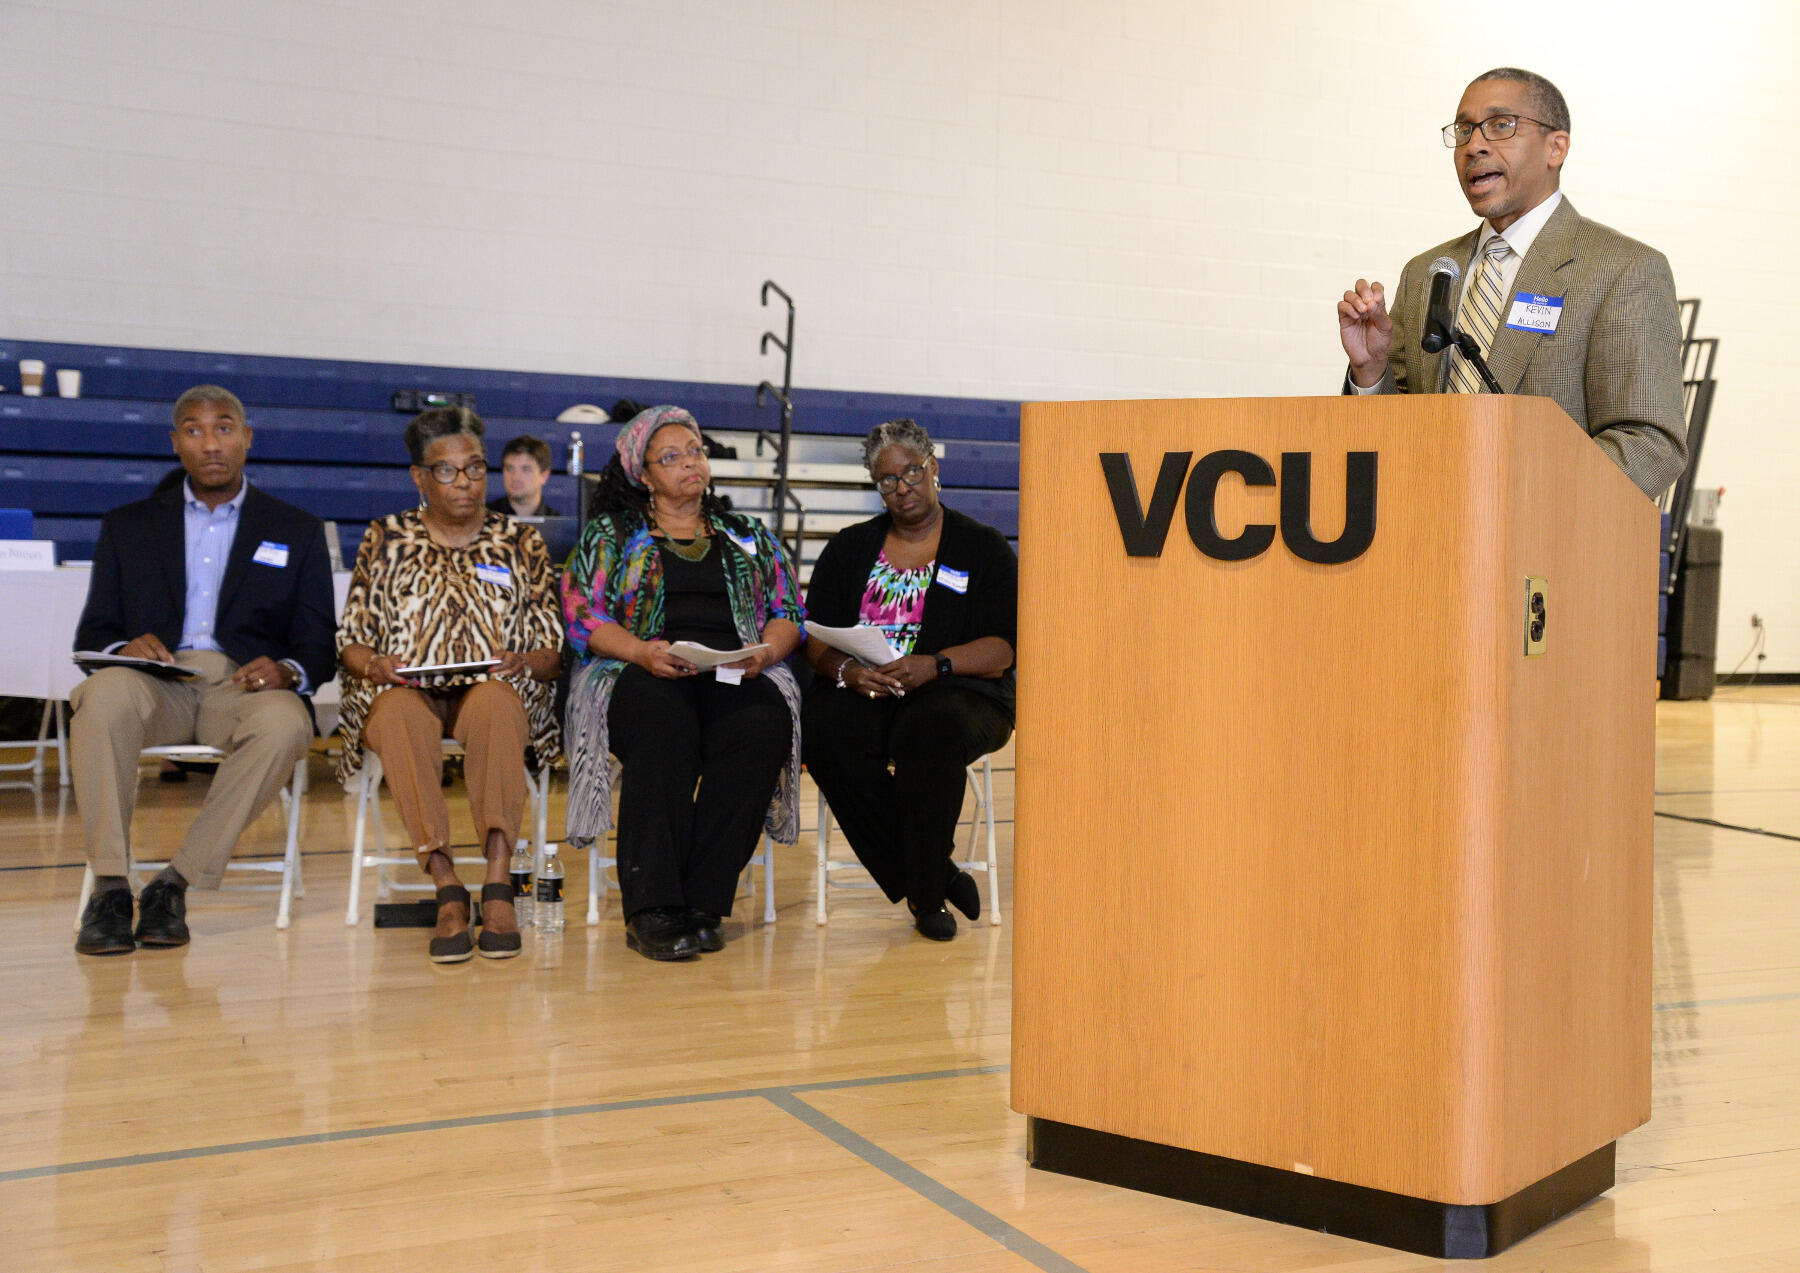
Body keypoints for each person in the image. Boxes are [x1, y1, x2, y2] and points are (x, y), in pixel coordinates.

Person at [70, 385, 336, 956]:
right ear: (175, 443)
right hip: (155, 682)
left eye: (223, 428)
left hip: (241, 686)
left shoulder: (297, 528)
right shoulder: (128, 524)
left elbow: (317, 642)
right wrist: (124, 646)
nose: (210, 442)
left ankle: (174, 884)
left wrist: (288, 669)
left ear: (246, 439)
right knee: (101, 694)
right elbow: (92, 634)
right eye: (194, 430)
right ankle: (112, 887)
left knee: (287, 725)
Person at [1337, 67, 1687, 498]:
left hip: (1546, 553)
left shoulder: (1623, 270)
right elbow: (1391, 439)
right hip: (1427, 544)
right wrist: (1370, 371)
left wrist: (1514, 499)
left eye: (1501, 125)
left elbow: (1649, 445)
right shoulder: (1427, 272)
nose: (1474, 145)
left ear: (1556, 147)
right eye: (1463, 130)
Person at [561, 405, 804, 961]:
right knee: (663, 719)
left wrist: (767, 651)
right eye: (670, 457)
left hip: (733, 667)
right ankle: (652, 907)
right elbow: (582, 613)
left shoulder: (746, 534)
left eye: (694, 451)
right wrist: (643, 652)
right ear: (644, 475)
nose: (689, 463)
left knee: (763, 722)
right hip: (640, 667)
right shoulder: (612, 534)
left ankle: (703, 900)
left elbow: (788, 607)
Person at [337, 407, 563, 963]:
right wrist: (374, 666)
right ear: (419, 477)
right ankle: (445, 885)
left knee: (495, 706)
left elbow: (552, 648)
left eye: (474, 468)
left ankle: (497, 883)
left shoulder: (520, 542)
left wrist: (523, 662)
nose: (463, 482)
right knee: (395, 715)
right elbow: (351, 638)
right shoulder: (385, 537)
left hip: (492, 684)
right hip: (405, 686)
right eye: (446, 471)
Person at [801, 419, 1016, 941]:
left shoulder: (981, 547)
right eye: (887, 481)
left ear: (934, 469)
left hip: (959, 689)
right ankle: (933, 872)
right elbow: (815, 643)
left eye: (912, 473)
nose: (902, 489)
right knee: (823, 727)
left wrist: (935, 663)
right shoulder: (850, 549)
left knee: (931, 731)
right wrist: (849, 672)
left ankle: (924, 896)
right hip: (869, 688)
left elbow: (1005, 648)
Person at [488, 435, 560, 518]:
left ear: (544, 476)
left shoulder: (557, 524)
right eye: (510, 469)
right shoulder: (483, 519)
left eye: (526, 469)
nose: (515, 477)